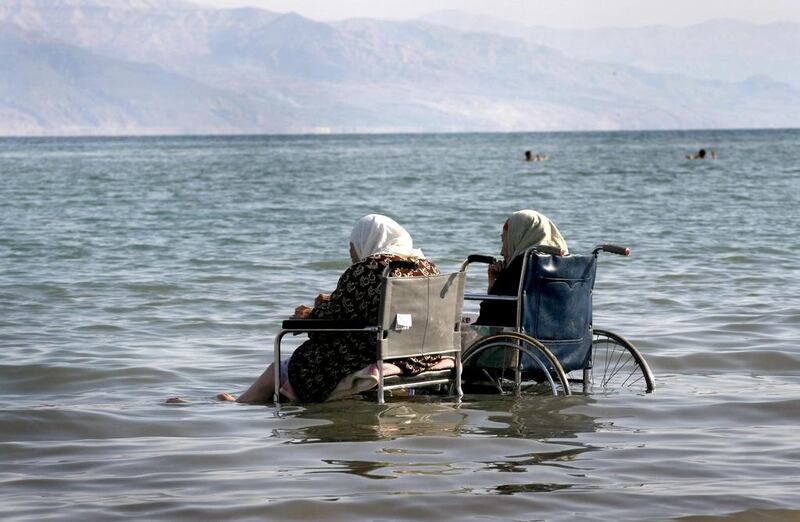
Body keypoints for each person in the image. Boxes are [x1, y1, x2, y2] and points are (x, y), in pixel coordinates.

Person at [222, 214, 442, 404]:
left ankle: (242, 405)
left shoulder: (367, 270)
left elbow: (334, 322)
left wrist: (310, 317)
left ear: (367, 240)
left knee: (283, 367)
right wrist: (330, 303)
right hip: (422, 354)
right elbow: (386, 307)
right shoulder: (427, 267)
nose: (352, 255)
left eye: (352, 248)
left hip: (377, 352)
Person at [474, 210, 569, 327]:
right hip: (565, 337)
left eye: (504, 241)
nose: (502, 252)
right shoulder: (565, 267)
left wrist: (495, 283)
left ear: (518, 237)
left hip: (521, 340)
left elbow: (486, 319)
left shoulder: (518, 269)